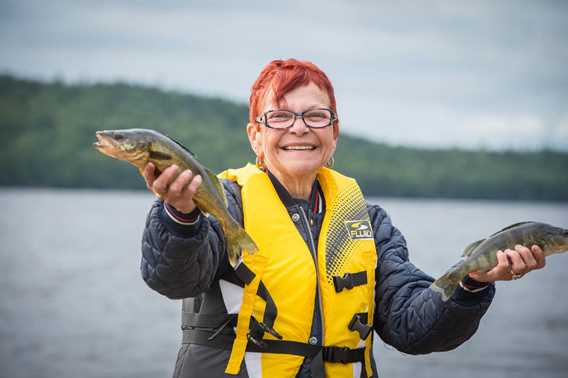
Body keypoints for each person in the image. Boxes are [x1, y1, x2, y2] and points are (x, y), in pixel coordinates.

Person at [140, 59, 546, 378]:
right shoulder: (222, 202)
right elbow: (173, 278)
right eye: (280, 116)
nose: (299, 128)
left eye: (316, 116)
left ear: (334, 133)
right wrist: (179, 215)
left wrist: (472, 285)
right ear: (255, 136)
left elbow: (414, 327)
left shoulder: (368, 222)